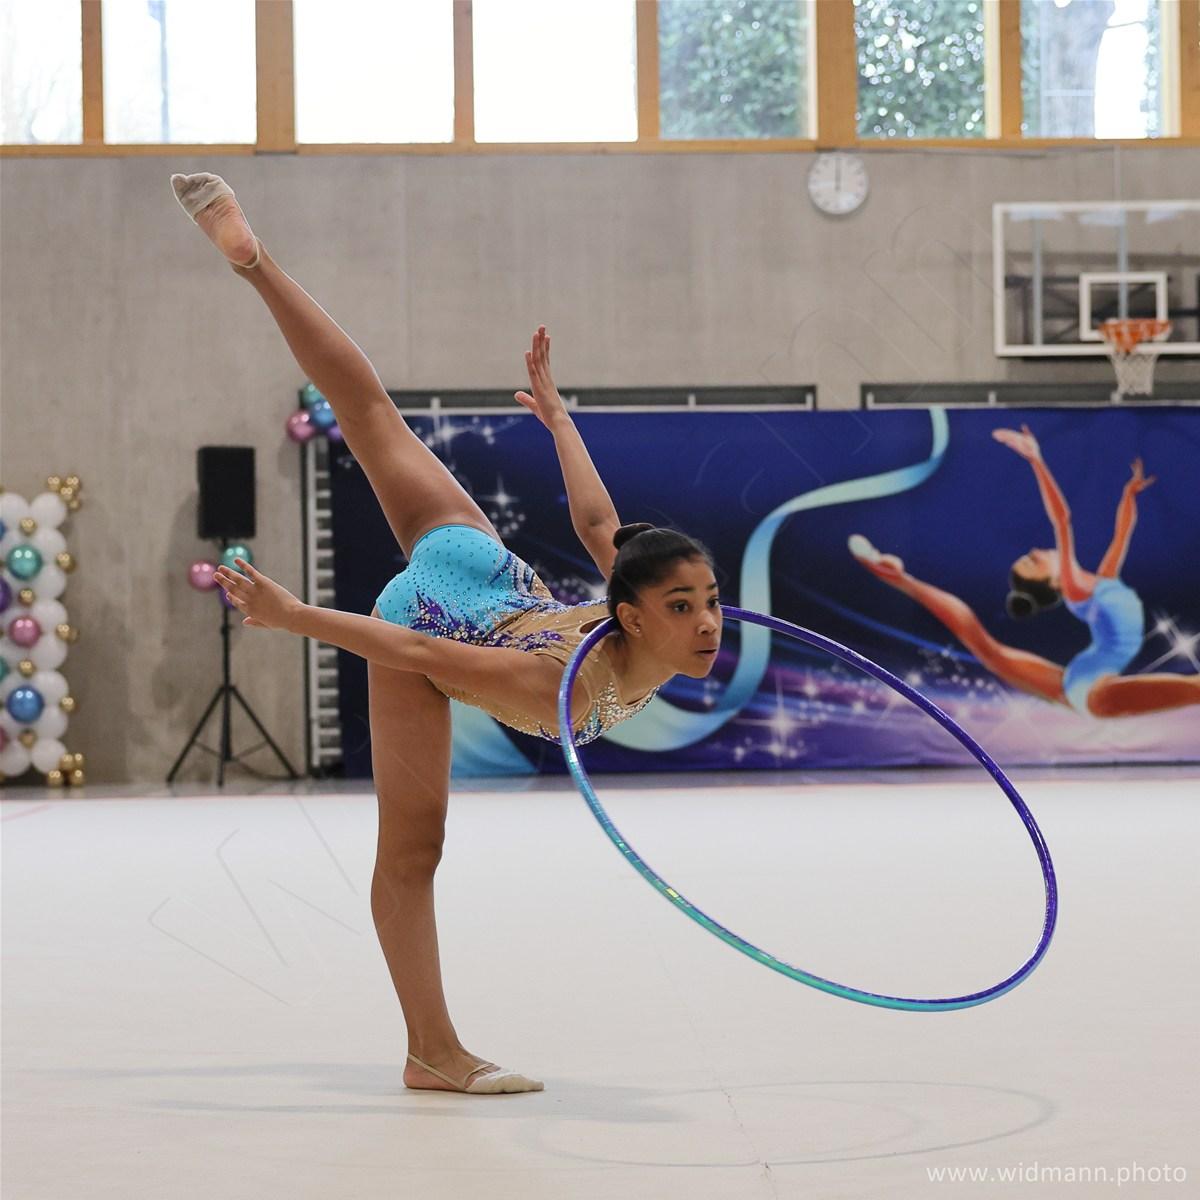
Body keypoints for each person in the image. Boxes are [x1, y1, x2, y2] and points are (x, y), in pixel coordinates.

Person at [172, 173, 722, 1095]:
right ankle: (432, 1050)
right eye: (683, 607)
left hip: (482, 564)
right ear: (631, 616)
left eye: (709, 600)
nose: (706, 623)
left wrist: (559, 420)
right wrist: (293, 617)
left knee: (370, 413)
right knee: (412, 850)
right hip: (427, 622)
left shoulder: (636, 601)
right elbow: (422, 656)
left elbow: (600, 526)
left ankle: (255, 264)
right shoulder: (565, 683)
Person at [850, 424, 1199, 718]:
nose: (1034, 552)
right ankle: (901, 579)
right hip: (1095, 689)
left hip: (1080, 678)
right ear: (1052, 581)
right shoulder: (1076, 588)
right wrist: (1036, 460)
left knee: (992, 653)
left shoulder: (1103, 582)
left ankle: (899, 578)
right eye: (1033, 562)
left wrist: (1129, 496)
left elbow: (1122, 534)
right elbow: (1062, 520)